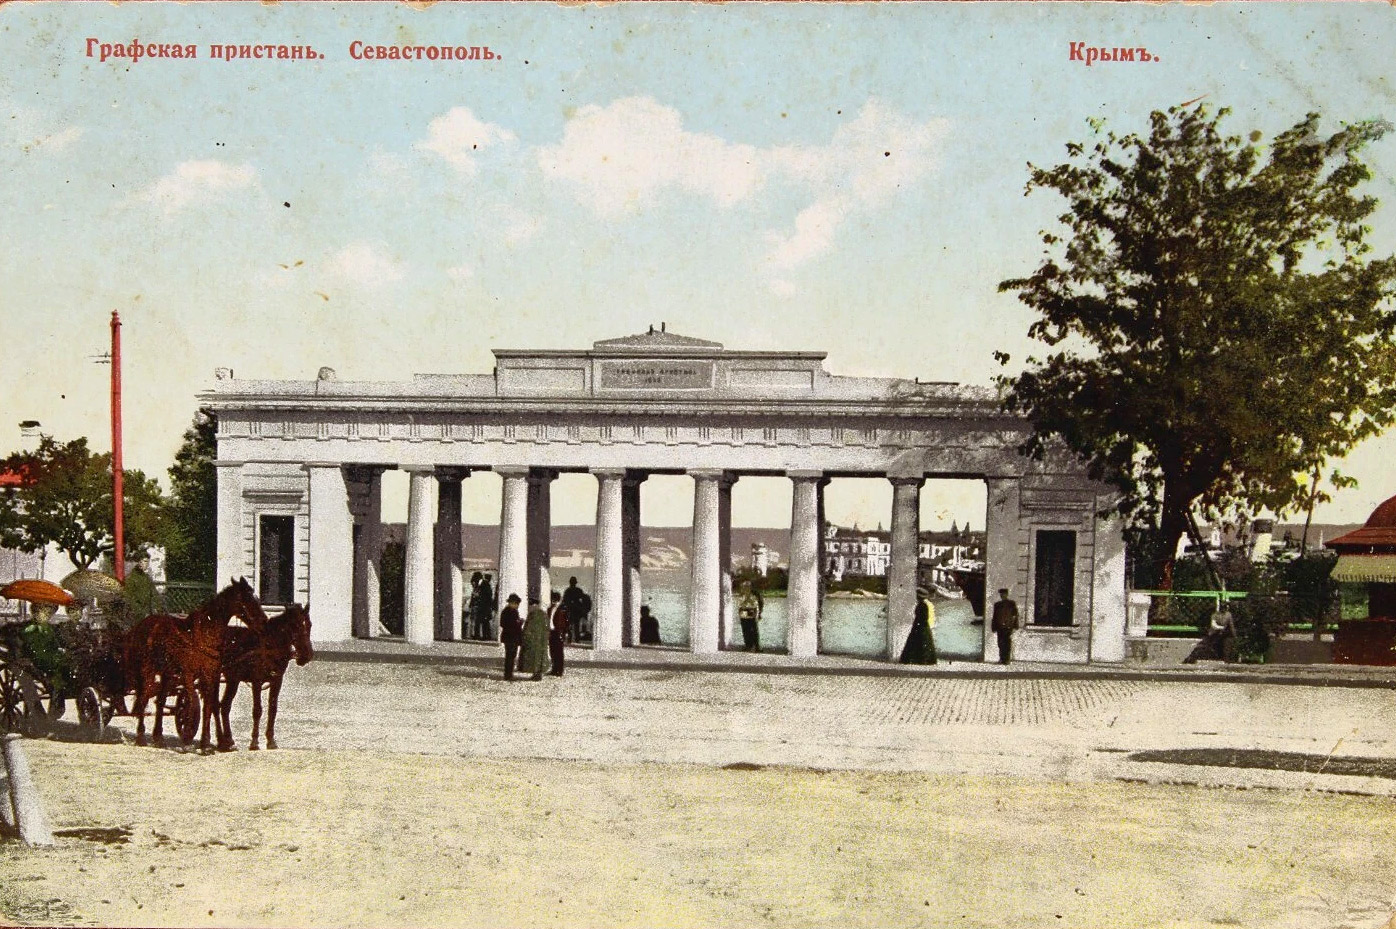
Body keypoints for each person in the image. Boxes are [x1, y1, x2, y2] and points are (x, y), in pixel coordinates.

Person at [119, 557, 162, 628]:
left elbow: (154, 594)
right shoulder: (131, 578)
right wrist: (141, 613)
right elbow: (128, 598)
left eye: (146, 561)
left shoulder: (147, 578)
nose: (142, 563)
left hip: (148, 614)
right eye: (141, 561)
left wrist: (156, 608)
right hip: (135, 615)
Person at [899, 587, 937, 665]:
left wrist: (918, 623)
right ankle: (924, 659)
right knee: (924, 643)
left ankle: (916, 659)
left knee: (917, 642)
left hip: (920, 625)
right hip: (922, 625)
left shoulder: (922, 605)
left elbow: (923, 617)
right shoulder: (924, 605)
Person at [518, 595, 550, 681]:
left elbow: (528, 628)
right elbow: (547, 627)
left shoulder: (532, 614)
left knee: (534, 658)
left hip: (533, 640)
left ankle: (536, 674)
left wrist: (524, 637)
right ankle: (538, 674)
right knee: (540, 658)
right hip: (541, 640)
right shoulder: (544, 614)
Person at [990, 587, 1020, 664]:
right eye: (1001, 594)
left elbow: (1015, 615)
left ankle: (1006, 660)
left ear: (1007, 594)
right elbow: (995, 616)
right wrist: (994, 627)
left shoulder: (1011, 604)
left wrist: (1014, 625)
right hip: (1000, 627)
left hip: (1008, 627)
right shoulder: (997, 605)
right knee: (1000, 643)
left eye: (1004, 594)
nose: (1002, 595)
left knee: (1007, 643)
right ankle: (1001, 659)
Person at [498, 593, 523, 681]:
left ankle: (509, 674)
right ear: (512, 603)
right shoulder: (509, 611)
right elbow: (505, 624)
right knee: (510, 657)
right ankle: (508, 675)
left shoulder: (509, 611)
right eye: (516, 604)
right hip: (511, 637)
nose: (517, 606)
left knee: (511, 656)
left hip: (510, 637)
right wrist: (519, 623)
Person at [561, 577, 592, 643]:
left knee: (570, 625)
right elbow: (583, 599)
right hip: (576, 611)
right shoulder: (578, 590)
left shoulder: (568, 591)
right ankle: (576, 639)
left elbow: (565, 601)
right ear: (575, 583)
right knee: (576, 626)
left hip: (571, 610)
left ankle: (570, 639)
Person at [737, 580, 762, 652]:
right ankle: (748, 646)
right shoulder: (741, 595)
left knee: (754, 630)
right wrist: (739, 614)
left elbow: (757, 605)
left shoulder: (755, 594)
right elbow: (740, 605)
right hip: (743, 612)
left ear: (750, 587)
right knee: (745, 630)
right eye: (744, 586)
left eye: (747, 586)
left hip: (752, 611)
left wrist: (758, 614)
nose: (745, 588)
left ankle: (757, 647)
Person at [548, 591, 568, 677]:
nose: (554, 602)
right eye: (553, 600)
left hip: (559, 632)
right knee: (552, 651)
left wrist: (565, 633)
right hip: (551, 632)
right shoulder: (550, 609)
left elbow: (566, 622)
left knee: (559, 652)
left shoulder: (563, 609)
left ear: (559, 600)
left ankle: (559, 670)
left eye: (555, 600)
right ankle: (554, 669)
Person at [472, 573, 496, 640]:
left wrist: (478, 596)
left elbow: (487, 596)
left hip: (484, 607)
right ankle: (483, 636)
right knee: (482, 621)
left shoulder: (484, 584)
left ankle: (483, 636)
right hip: (483, 607)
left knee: (482, 621)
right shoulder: (482, 584)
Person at [464, 571, 483, 639]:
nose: (472, 584)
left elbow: (475, 596)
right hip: (476, 606)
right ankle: (474, 634)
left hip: (476, 606)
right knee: (474, 621)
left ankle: (474, 634)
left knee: (475, 621)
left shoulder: (478, 587)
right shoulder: (477, 587)